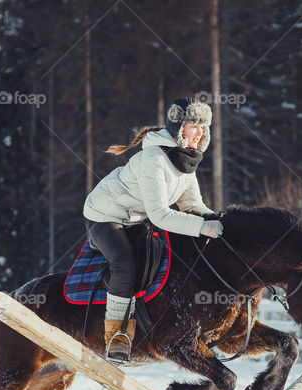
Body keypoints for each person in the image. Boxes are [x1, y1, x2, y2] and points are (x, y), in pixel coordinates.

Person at [83, 96, 224, 362]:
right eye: (195, 125)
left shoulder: (186, 161)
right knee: (125, 263)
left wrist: (221, 221)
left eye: (205, 127)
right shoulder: (154, 159)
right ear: (178, 128)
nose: (201, 132)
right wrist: (204, 227)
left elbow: (192, 204)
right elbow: (160, 215)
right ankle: (117, 336)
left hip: (136, 217)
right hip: (105, 215)